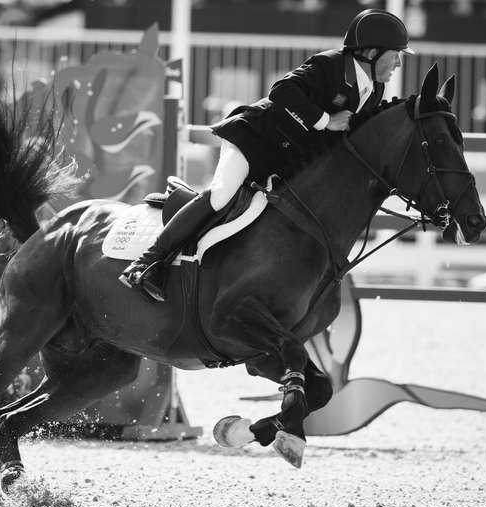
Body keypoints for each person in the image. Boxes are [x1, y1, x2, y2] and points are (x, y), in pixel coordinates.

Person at [119, 8, 415, 302]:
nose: (399, 62)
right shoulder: (331, 65)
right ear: (373, 52)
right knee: (222, 194)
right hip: (253, 140)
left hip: (286, 160)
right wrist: (326, 120)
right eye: (396, 54)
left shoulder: (375, 90)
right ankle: (147, 262)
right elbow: (282, 92)